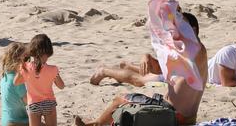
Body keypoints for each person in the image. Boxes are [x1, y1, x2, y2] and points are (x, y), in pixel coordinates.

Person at [76, 12, 207, 126]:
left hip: (176, 116)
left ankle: (96, 124)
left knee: (122, 100)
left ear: (193, 30)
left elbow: (183, 26)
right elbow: (156, 69)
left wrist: (176, 13)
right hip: (170, 108)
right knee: (125, 103)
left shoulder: (199, 52)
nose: (176, 32)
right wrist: (146, 57)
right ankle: (96, 123)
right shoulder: (184, 55)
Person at [88, 12, 200, 88]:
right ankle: (104, 71)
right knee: (139, 80)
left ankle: (127, 66)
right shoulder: (185, 44)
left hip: (173, 75)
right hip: (171, 75)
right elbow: (164, 67)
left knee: (145, 76)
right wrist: (147, 56)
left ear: (193, 29)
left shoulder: (192, 46)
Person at [14, 34, 65, 126]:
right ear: (49, 52)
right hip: (49, 103)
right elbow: (61, 86)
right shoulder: (53, 69)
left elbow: (16, 82)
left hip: (33, 104)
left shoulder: (25, 67)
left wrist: (25, 74)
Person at [0, 42, 29, 126]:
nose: (28, 62)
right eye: (26, 59)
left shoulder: (4, 77)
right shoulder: (17, 81)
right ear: (18, 61)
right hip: (17, 122)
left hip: (6, 121)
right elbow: (29, 102)